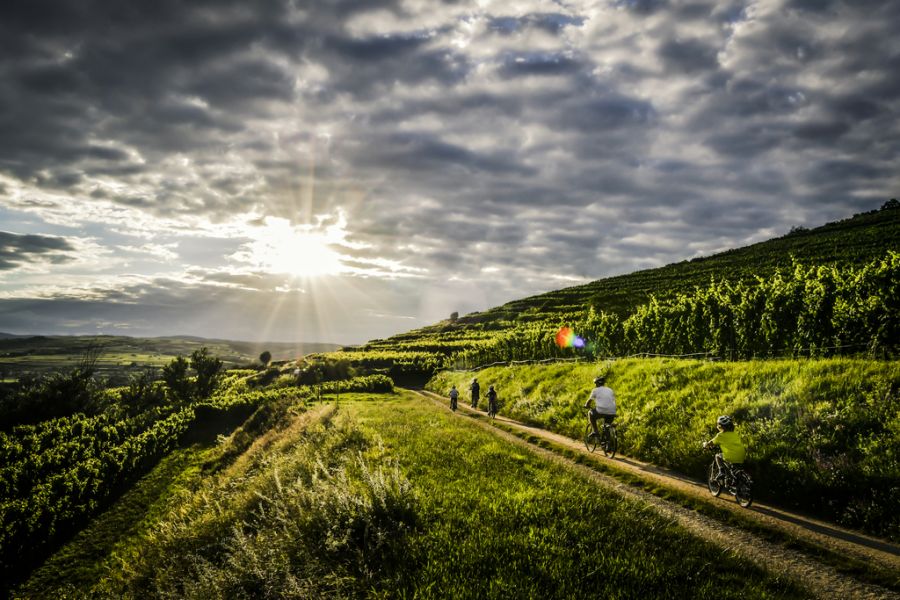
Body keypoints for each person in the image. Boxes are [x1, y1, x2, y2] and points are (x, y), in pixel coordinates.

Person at [703, 415, 746, 486]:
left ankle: (721, 472)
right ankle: (733, 481)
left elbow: (710, 443)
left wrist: (705, 445)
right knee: (733, 469)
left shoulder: (720, 435)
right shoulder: (735, 434)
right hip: (741, 454)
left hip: (730, 455)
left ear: (721, 426)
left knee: (717, 456)